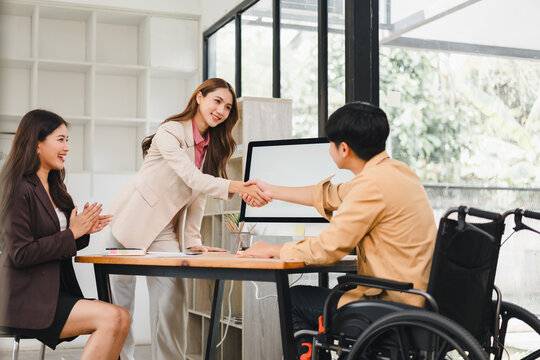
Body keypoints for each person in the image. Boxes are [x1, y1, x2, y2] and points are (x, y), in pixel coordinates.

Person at [238, 102, 437, 359]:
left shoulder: (370, 186)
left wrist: (272, 249)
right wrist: (271, 191)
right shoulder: (397, 172)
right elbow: (329, 195)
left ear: (343, 148)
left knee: (295, 299)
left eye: (331, 143)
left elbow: (326, 250)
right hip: (418, 297)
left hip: (393, 305)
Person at [106, 78, 270, 360]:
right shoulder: (170, 131)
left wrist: (193, 243)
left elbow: (198, 196)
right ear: (199, 97)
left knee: (173, 300)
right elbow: (190, 177)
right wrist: (235, 187)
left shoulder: (211, 147)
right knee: (120, 307)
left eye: (228, 107)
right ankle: (123, 358)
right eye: (216, 101)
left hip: (164, 233)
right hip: (128, 225)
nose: (221, 110)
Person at [0, 109, 130, 359]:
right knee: (113, 317)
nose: (67, 147)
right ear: (37, 143)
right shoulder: (18, 188)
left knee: (122, 317)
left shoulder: (55, 187)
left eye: (67, 140)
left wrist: (83, 231)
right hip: (25, 298)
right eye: (60, 139)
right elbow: (21, 254)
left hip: (56, 292)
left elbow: (65, 240)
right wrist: (72, 233)